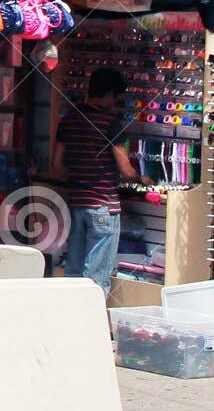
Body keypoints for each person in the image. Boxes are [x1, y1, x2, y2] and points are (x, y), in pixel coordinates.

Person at [53, 67, 150, 294]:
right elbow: (126, 170)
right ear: (109, 94)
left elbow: (57, 164)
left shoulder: (69, 120)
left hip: (76, 204)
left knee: (74, 273)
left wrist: (80, 171)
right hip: (103, 206)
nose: (115, 104)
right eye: (116, 98)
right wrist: (143, 178)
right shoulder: (110, 124)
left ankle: (74, 313)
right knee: (96, 277)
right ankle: (93, 316)